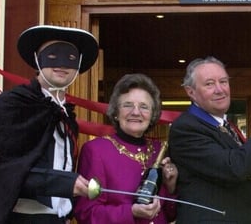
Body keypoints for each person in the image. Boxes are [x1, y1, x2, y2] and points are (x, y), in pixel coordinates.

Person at [0, 24, 99, 224]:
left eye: (71, 58)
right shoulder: (12, 106)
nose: (62, 64)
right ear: (38, 59)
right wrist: (64, 183)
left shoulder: (66, 117)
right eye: (52, 56)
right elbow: (3, 171)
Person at [168, 56, 251, 223]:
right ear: (190, 92)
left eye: (223, 81)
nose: (220, 89)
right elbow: (234, 168)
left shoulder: (226, 125)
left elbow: (250, 175)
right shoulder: (186, 128)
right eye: (209, 84)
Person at [74, 73, 178, 223]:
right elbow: (86, 213)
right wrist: (130, 212)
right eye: (128, 105)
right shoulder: (96, 150)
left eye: (144, 107)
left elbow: (171, 214)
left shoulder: (161, 151)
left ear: (153, 115)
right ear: (116, 112)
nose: (136, 112)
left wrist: (171, 186)